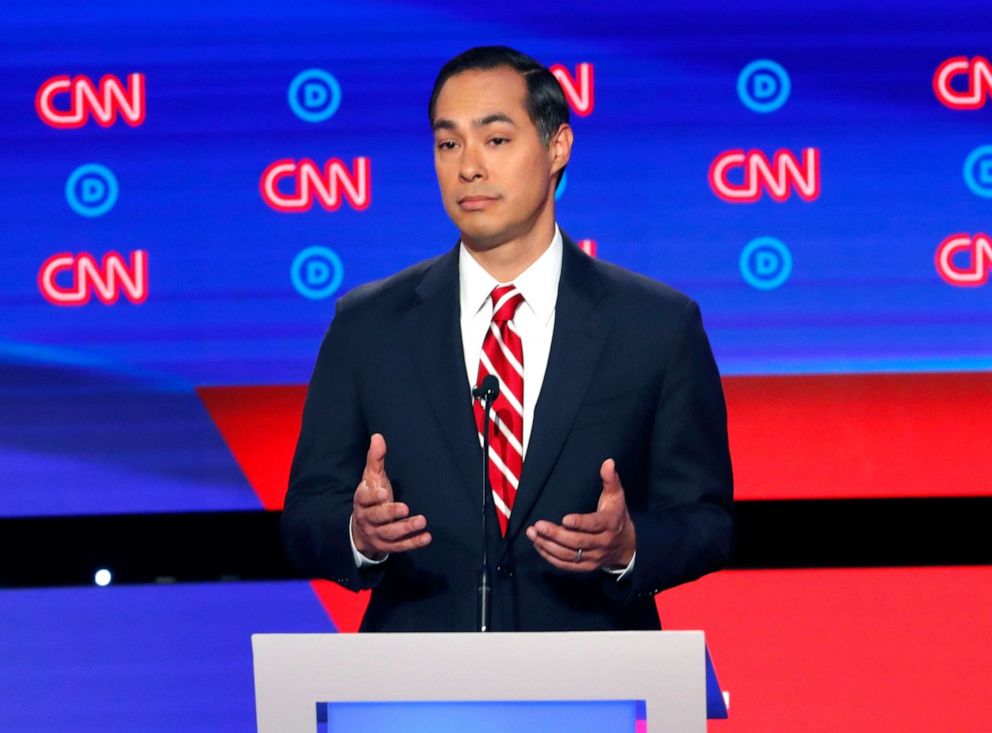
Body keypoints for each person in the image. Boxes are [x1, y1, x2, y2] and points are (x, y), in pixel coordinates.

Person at [282, 46, 733, 632]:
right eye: (449, 144)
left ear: (557, 148)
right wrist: (358, 534)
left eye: (495, 140)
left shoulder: (655, 326)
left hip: (593, 682)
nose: (469, 166)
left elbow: (707, 521)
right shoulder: (368, 325)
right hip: (413, 686)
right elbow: (305, 515)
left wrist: (628, 545)